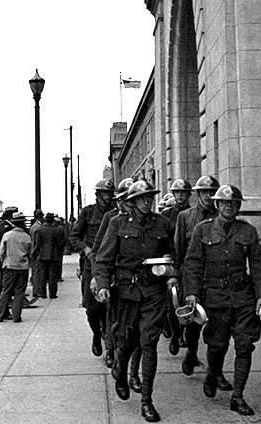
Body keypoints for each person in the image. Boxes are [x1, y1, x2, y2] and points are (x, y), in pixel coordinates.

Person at [183, 184, 261, 416]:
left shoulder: (247, 231)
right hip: (215, 297)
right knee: (217, 344)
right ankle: (212, 373)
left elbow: (258, 266)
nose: (229, 207)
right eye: (224, 203)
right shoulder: (203, 230)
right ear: (217, 205)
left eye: (233, 203)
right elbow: (193, 264)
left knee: (245, 345)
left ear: (238, 206)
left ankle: (237, 396)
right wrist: (191, 293)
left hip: (243, 297)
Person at [94, 180, 174, 423]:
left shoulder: (163, 224)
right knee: (127, 340)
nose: (147, 201)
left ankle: (147, 401)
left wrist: (171, 269)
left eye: (150, 197)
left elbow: (174, 253)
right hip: (127, 292)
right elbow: (103, 258)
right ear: (132, 201)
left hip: (154, 291)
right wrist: (103, 285)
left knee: (149, 342)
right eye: (142, 198)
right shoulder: (118, 224)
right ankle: (120, 372)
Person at [174, 175, 232, 392]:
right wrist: (181, 280)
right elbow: (180, 251)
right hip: (194, 279)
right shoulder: (185, 217)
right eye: (204, 192)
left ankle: (216, 372)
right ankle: (191, 352)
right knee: (193, 325)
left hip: (217, 281)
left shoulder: (223, 217)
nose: (208, 196)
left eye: (212, 191)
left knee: (220, 330)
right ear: (197, 194)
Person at [69, 179, 115, 358]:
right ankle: (97, 334)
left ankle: (110, 349)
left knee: (112, 308)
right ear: (98, 195)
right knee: (92, 307)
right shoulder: (88, 213)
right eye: (104, 193)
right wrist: (85, 249)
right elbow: (74, 237)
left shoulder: (114, 213)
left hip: (111, 262)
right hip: (91, 263)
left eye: (110, 193)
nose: (108, 197)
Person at [91, 177, 134, 370]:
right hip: (115, 274)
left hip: (135, 278)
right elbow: (99, 247)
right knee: (112, 316)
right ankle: (110, 350)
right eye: (125, 199)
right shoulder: (111, 218)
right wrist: (99, 278)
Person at [159, 179, 192, 355]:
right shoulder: (166, 215)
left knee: (190, 300)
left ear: (188, 195)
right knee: (172, 302)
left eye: (183, 193)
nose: (180, 196)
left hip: (189, 261)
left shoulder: (192, 213)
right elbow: (161, 238)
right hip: (171, 261)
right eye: (177, 193)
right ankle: (176, 333)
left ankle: (184, 334)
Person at [0, 212, 31, 323]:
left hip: (9, 266)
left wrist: (4, 262)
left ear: (14, 223)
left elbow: (1, 251)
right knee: (19, 293)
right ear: (23, 223)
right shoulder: (27, 237)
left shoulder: (7, 236)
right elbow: (30, 252)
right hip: (23, 267)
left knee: (5, 291)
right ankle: (16, 317)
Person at [31, 213, 66, 298]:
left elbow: (38, 244)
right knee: (52, 276)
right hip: (54, 255)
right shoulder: (57, 230)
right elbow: (59, 243)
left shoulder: (40, 230)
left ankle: (43, 293)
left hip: (42, 255)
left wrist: (34, 253)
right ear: (53, 220)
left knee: (43, 275)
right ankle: (52, 294)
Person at [30, 209, 45, 298]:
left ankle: (36, 289)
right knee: (37, 272)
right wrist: (34, 251)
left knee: (35, 271)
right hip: (37, 252)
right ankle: (37, 290)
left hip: (33, 251)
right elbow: (37, 242)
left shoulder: (33, 227)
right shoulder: (38, 228)